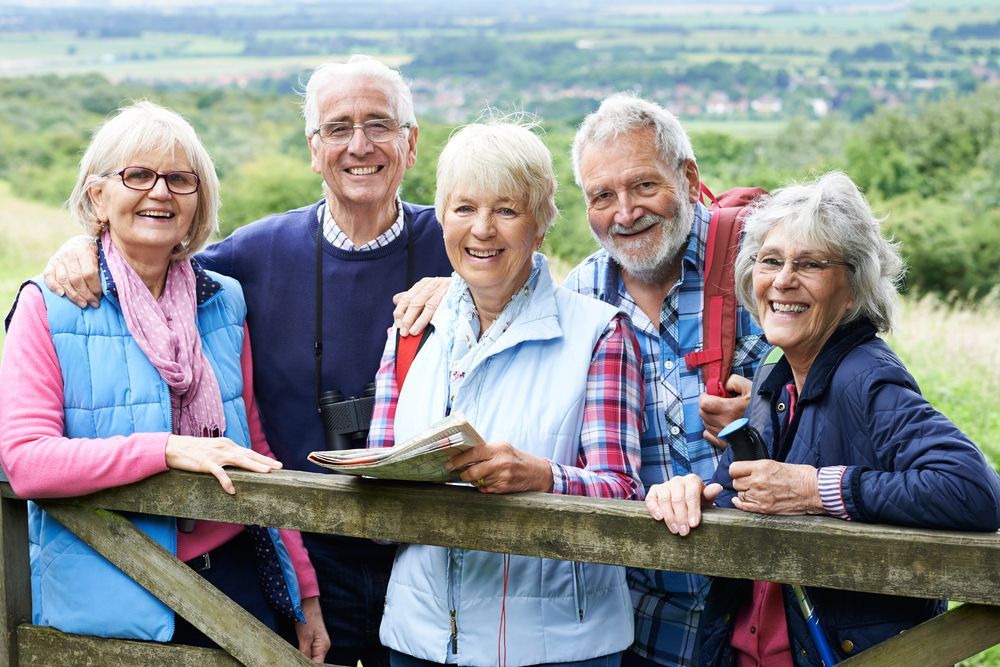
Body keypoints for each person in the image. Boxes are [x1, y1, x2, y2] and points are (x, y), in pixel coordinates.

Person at [41, 56, 453, 665]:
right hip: (307, 553)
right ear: (314, 150)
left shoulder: (463, 242)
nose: (359, 145)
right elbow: (153, 264)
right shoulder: (256, 253)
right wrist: (83, 246)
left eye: (380, 126)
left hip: (435, 552)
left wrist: (468, 290)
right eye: (338, 128)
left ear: (411, 143)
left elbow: (537, 298)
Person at [0, 101, 329, 660]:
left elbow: (254, 445)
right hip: (107, 593)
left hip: (237, 581)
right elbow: (26, 461)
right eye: (137, 175)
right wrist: (168, 449)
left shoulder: (223, 301)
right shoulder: (49, 305)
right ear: (98, 195)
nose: (160, 192)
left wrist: (306, 593)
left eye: (180, 179)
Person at [644, 171, 1000, 666]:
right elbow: (741, 494)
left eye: (809, 264)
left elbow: (974, 490)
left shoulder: (865, 377)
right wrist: (687, 492)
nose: (783, 279)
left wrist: (815, 490)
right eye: (770, 261)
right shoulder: (776, 378)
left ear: (852, 288)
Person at [367, 119, 645, 667]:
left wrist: (544, 477)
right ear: (442, 217)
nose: (483, 229)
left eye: (507, 210)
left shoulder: (599, 334)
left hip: (560, 651)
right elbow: (380, 480)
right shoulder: (411, 331)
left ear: (540, 224)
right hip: (419, 643)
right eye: (464, 208)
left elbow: (626, 494)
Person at [564, 93, 770, 667]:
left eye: (643, 186)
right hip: (633, 628)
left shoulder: (761, 269)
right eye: (602, 196)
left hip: (754, 615)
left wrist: (768, 414)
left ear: (687, 177)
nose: (624, 212)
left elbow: (838, 405)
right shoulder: (580, 298)